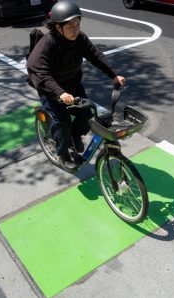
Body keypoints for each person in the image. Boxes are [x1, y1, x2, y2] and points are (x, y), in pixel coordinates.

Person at [27, 0, 125, 173]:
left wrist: (114, 75)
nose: (75, 29)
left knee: (87, 115)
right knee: (63, 121)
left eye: (77, 24)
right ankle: (62, 154)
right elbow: (39, 73)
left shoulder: (79, 38)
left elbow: (95, 55)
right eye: (70, 26)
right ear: (58, 27)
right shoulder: (47, 44)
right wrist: (60, 93)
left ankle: (75, 135)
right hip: (51, 89)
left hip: (73, 84)